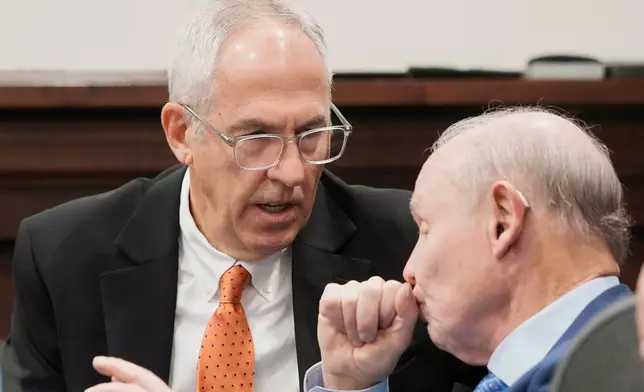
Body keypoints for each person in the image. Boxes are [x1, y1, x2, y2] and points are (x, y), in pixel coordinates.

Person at [0, 1, 485, 391]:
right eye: (256, 138)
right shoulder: (65, 254)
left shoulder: (407, 247)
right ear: (181, 133)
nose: (293, 171)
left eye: (313, 133)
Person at [306, 108, 633, 392]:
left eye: (425, 228)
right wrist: (350, 383)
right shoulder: (598, 360)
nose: (409, 271)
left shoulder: (600, 378)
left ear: (502, 222)